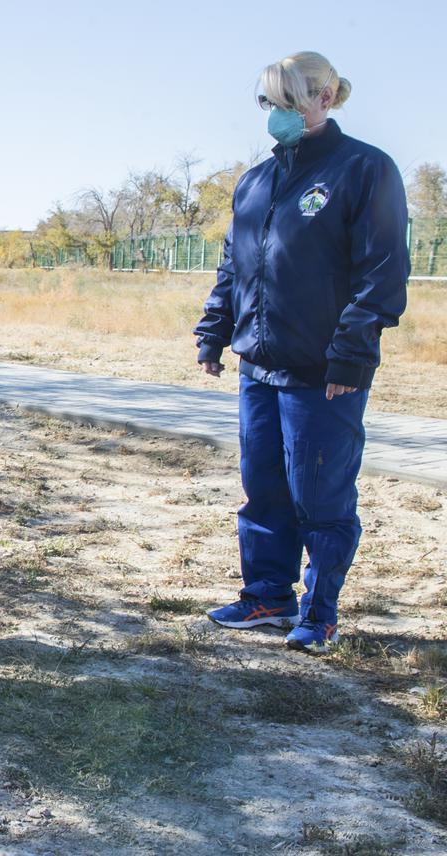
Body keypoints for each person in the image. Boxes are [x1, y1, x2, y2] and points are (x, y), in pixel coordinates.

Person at [195, 52, 409, 653]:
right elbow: (234, 264)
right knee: (263, 487)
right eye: (268, 103)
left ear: (326, 97)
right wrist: (214, 330)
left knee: (320, 494)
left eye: (288, 103)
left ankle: (319, 612)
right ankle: (267, 594)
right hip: (258, 367)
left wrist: (351, 354)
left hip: (324, 373)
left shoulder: (364, 169)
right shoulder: (255, 180)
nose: (277, 117)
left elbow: (383, 273)